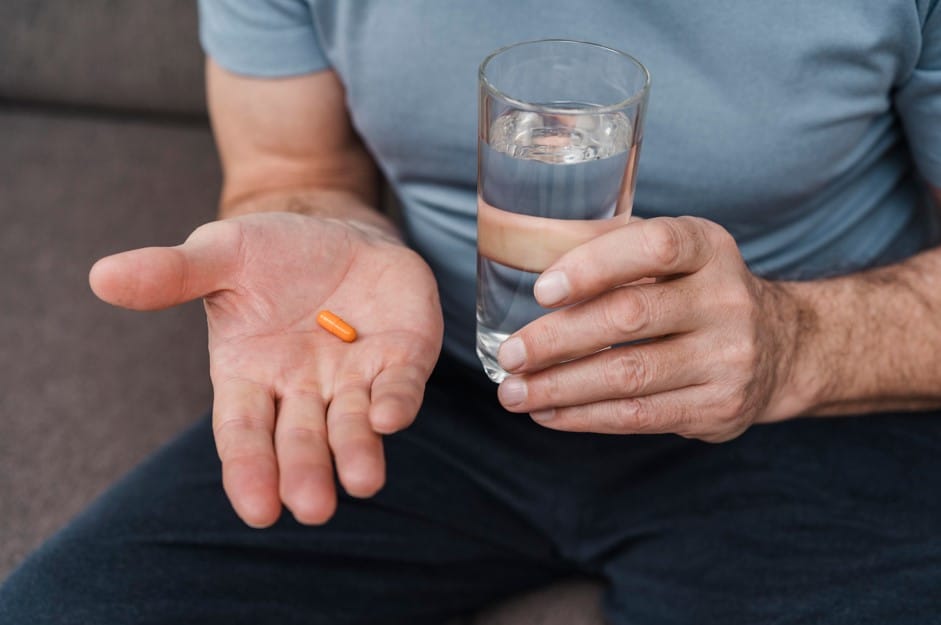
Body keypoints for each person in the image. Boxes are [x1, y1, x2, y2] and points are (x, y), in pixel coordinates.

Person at [3, 1, 941, 623]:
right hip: (421, 382)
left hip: (797, 408)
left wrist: (792, 343)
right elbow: (294, 169)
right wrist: (320, 226)